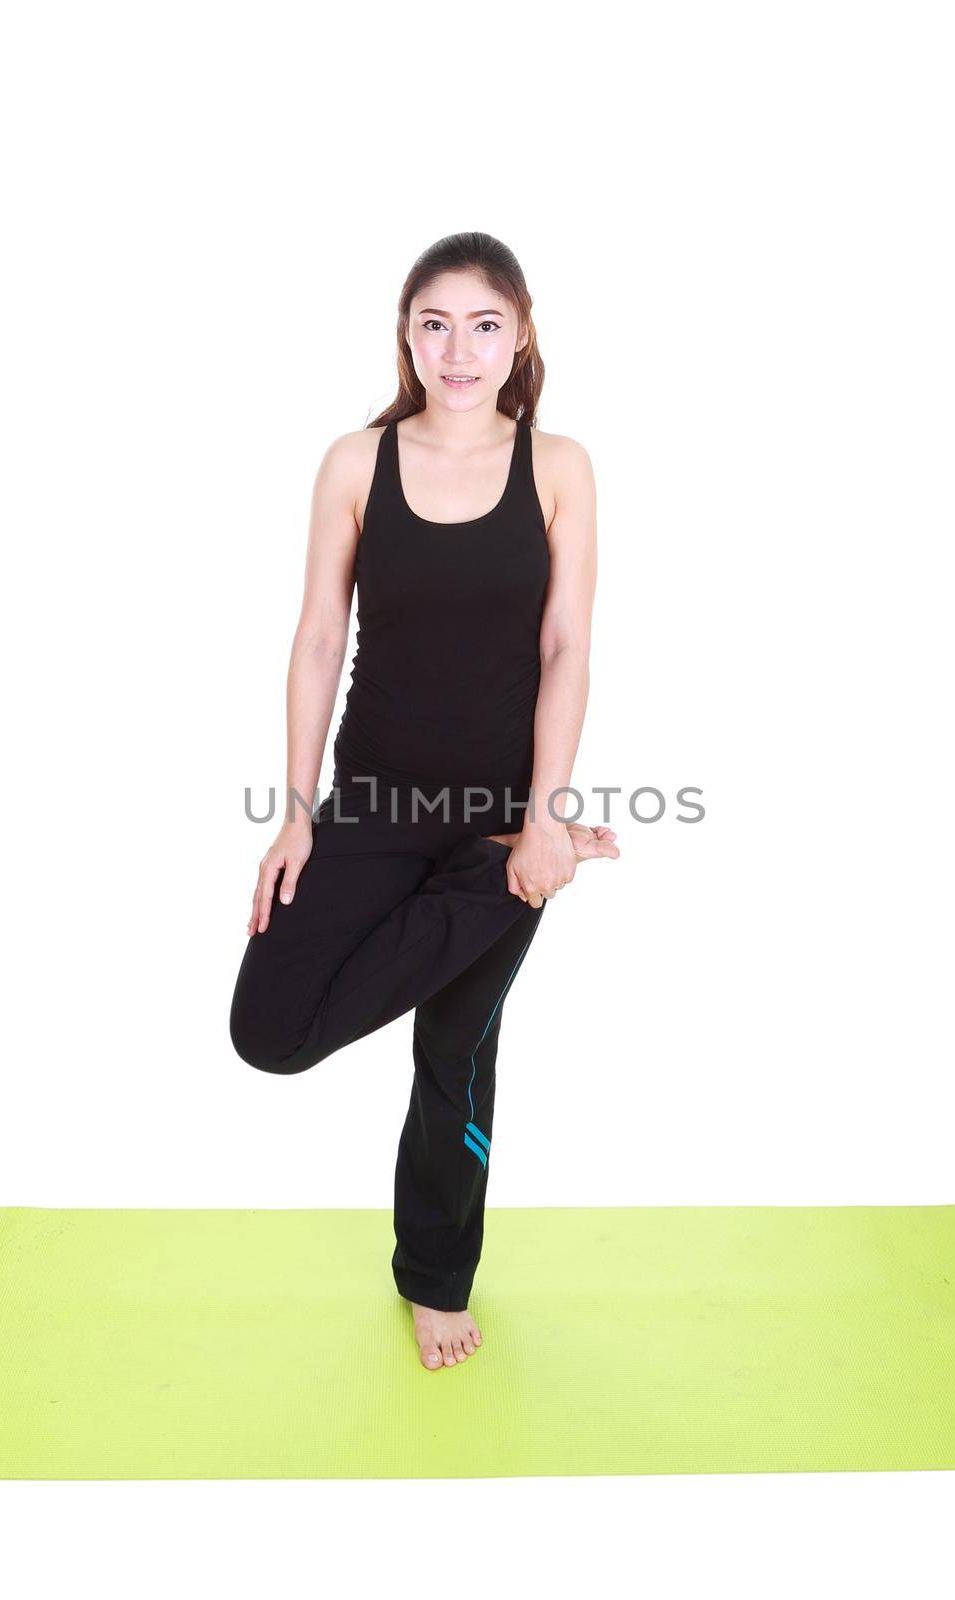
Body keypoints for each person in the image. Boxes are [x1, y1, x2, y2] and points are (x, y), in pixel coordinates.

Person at [229, 231, 618, 1372]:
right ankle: (501, 893)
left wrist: (542, 816)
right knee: (269, 1032)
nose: (458, 348)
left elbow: (565, 645)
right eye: (434, 323)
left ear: (522, 334)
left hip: (505, 810)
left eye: (483, 324)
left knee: (456, 1050)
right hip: (373, 806)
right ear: (406, 334)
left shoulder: (560, 467)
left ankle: (435, 1280)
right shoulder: (357, 461)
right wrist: (297, 809)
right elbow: (315, 638)